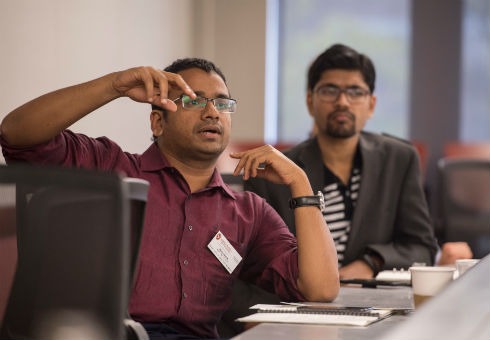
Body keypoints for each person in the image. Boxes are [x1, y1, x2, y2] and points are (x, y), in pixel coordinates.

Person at [0, 58, 340, 339]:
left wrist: (300, 182)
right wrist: (114, 86)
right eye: (193, 100)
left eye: (222, 103)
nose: (212, 112)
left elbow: (319, 289)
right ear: (158, 122)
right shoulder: (109, 169)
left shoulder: (248, 212)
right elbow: (17, 134)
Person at [245, 44, 440, 278]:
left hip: (374, 301)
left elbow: (422, 249)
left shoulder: (399, 159)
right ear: (309, 101)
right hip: (300, 303)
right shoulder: (275, 173)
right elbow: (260, 261)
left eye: (356, 92)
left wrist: (371, 262)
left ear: (371, 105)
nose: (343, 102)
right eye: (329, 90)